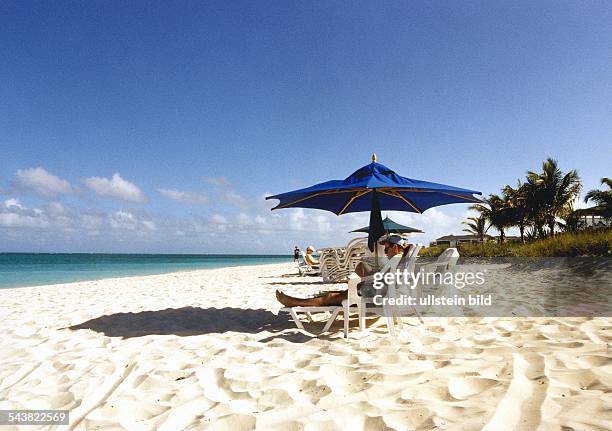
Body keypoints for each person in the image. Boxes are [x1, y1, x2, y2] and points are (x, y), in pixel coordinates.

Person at [276, 235, 407, 307]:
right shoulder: (399, 259)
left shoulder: (396, 259)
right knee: (336, 292)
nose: (384, 250)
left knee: (329, 297)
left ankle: (294, 302)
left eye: (386, 248)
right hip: (377, 292)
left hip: (375, 296)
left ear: (395, 247)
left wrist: (361, 281)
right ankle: (298, 301)